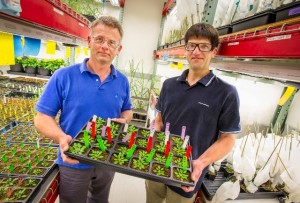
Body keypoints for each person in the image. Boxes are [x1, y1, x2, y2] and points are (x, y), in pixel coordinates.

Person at [34, 16, 132, 203]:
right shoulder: (64, 76)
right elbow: (41, 118)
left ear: (118, 49)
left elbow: (127, 110)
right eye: (100, 39)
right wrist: (61, 138)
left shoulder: (122, 81)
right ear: (89, 41)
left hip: (107, 159)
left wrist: (125, 120)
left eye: (111, 42)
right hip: (73, 160)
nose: (105, 46)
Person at [146, 23, 241, 203]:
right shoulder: (169, 85)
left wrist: (201, 163)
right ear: (185, 49)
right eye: (191, 45)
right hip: (155, 164)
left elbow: (228, 139)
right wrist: (152, 132)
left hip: (188, 173)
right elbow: (159, 120)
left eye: (204, 46)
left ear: (214, 51)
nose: (196, 51)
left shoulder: (226, 93)